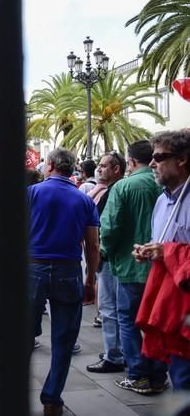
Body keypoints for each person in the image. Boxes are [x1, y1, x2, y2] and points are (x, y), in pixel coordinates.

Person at [28, 148, 100, 416]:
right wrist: (91, 278)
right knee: (64, 339)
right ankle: (52, 398)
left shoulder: (31, 193)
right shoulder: (84, 200)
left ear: (50, 166)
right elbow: (92, 245)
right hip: (68, 270)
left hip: (32, 268)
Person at [100, 140, 168, 394]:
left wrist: (105, 252)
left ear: (130, 162)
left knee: (128, 320)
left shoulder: (123, 186)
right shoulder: (166, 185)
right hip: (161, 265)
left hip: (130, 266)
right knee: (156, 321)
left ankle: (138, 373)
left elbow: (110, 227)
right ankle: (159, 374)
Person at [134, 131, 190, 391]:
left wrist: (167, 251)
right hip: (170, 306)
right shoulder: (161, 200)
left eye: (158, 157)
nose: (152, 163)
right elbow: (163, 244)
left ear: (182, 159)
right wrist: (148, 252)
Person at [85, 151, 127, 374]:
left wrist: (100, 253)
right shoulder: (109, 189)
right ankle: (118, 351)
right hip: (122, 257)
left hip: (112, 258)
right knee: (118, 310)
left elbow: (108, 227)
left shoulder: (116, 190)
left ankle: (114, 355)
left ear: (116, 169)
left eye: (103, 166)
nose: (99, 169)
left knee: (109, 308)